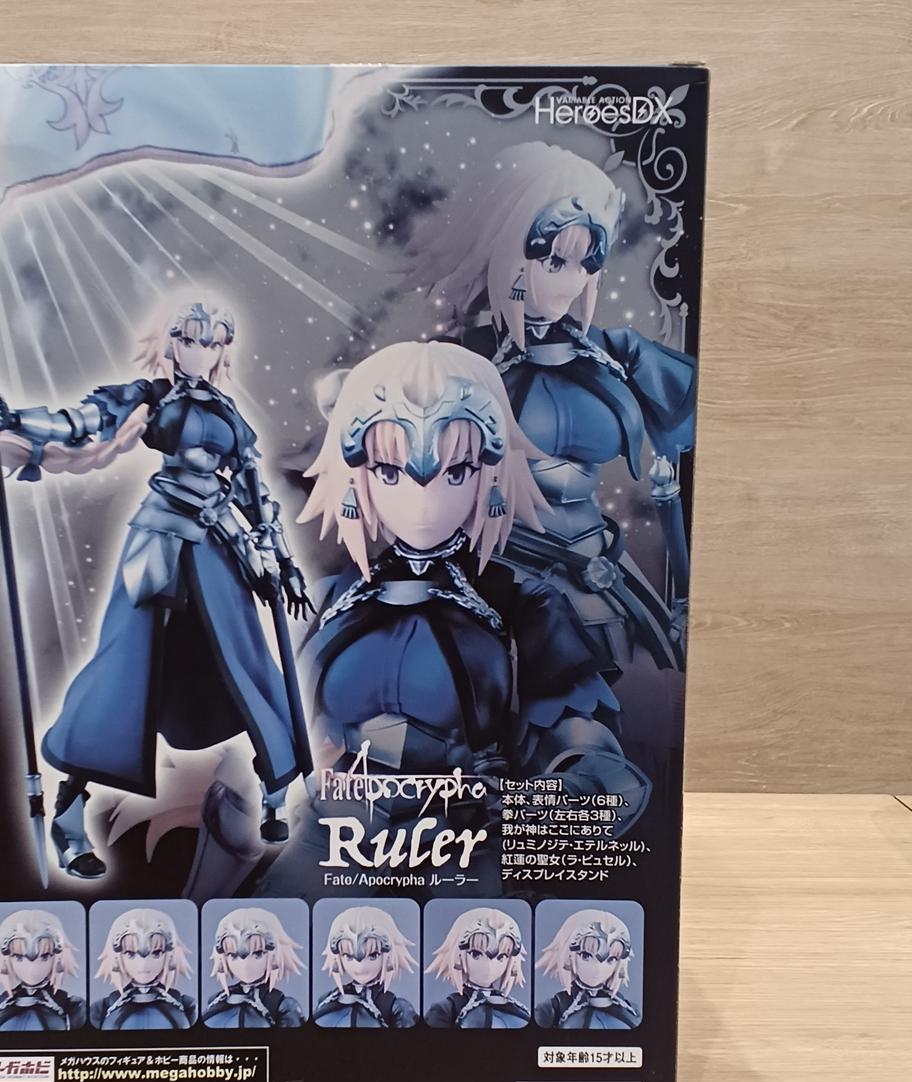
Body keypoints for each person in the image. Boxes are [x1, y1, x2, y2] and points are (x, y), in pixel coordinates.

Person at [258, 341, 649, 901]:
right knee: (271, 936)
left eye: (457, 470)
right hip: (335, 834)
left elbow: (592, 761)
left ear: (491, 474)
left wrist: (525, 807)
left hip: (461, 846)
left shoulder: (522, 603)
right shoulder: (330, 601)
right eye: (389, 470)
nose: (423, 501)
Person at [0, 298, 312, 879]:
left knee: (247, 663)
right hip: (160, 540)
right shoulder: (152, 398)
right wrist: (13, 419)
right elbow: (81, 420)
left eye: (213, 342)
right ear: (171, 341)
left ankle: (275, 794)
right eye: (190, 339)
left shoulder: (228, 410)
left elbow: (254, 490)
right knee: (122, 671)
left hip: (220, 545)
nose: (201, 352)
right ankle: (69, 817)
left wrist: (282, 559)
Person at [408, 141, 696, 670]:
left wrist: (683, 589)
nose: (572, 281)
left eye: (587, 262)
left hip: (601, 570)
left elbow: (678, 471)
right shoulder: (455, 362)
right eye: (554, 260)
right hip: (497, 574)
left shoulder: (616, 354)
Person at [0, 908, 86, 1031]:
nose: (31, 967)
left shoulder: (72, 1007)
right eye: (19, 957)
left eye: (44, 956)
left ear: (57, 958)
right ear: (6, 959)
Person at [89, 907, 197, 1030]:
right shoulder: (101, 1009)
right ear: (117, 957)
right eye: (130, 953)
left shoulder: (188, 1006)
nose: (143, 964)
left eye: (156, 953)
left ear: (169, 956)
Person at [533, 907, 641, 1030]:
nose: (598, 968)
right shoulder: (552, 1009)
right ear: (569, 956)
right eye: (586, 956)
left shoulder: (631, 1011)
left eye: (611, 959)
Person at [312, 905, 418, 1028]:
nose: (360, 968)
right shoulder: (327, 1000)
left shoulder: (396, 1007)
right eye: (348, 956)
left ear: (388, 956)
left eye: (373, 955)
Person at [425, 906, 529, 1029]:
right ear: (459, 955)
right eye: (476, 954)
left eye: (501, 957)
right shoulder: (446, 1009)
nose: (490, 966)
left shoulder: (517, 1010)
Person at [202, 906, 306, 1028]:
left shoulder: (281, 1004)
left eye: (258, 953)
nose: (244, 964)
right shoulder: (217, 1000)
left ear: (274, 955)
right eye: (232, 955)